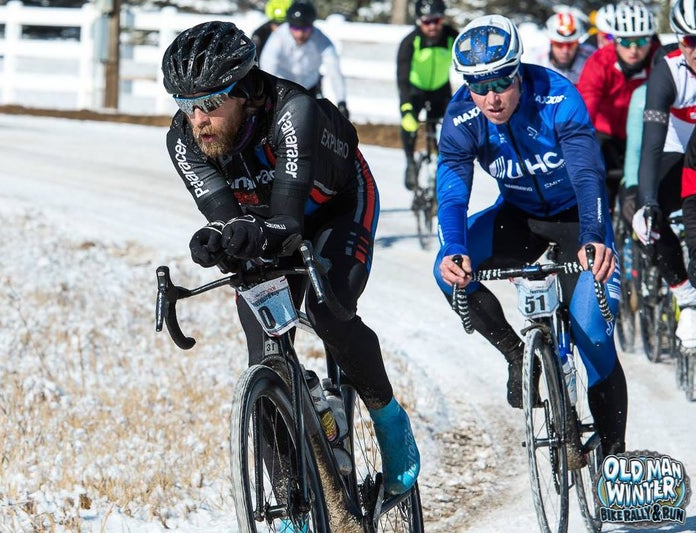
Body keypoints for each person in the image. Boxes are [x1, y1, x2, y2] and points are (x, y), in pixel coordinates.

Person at [161, 21, 419, 495]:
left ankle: (389, 418)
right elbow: (223, 214)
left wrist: (249, 232)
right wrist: (215, 238)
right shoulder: (183, 141)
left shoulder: (292, 109)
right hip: (269, 218)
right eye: (186, 106)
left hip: (335, 205)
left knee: (329, 311)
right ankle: (288, 501)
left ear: (244, 92)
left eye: (211, 105)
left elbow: (287, 223)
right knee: (263, 350)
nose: (197, 120)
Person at [433, 14, 628, 462]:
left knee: (592, 331)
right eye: (477, 85)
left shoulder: (558, 96)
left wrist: (595, 235)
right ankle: (517, 355)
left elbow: (586, 173)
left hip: (579, 220)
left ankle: (615, 456)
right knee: (445, 273)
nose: (490, 97)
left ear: (518, 70)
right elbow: (452, 186)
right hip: (518, 217)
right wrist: (455, 247)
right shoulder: (463, 114)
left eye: (500, 81)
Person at [633, 0, 696, 348]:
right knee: (650, 221)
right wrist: (647, 202)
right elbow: (651, 146)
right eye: (690, 40)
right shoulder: (667, 71)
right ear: (678, 39)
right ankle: (683, 292)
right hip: (673, 148)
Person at [578, 1, 659, 211]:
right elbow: (586, 105)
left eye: (641, 41)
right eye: (625, 41)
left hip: (645, 134)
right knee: (600, 193)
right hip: (606, 134)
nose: (634, 49)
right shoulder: (599, 62)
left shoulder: (660, 61)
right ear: (614, 40)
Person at [396, 0, 458, 190]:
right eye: (426, 22)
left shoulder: (452, 36)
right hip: (415, 91)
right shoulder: (410, 42)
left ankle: (442, 170)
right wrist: (406, 108)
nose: (432, 26)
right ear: (418, 21)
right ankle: (410, 163)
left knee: (445, 131)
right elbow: (403, 78)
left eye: (436, 21)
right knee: (409, 124)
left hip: (441, 90)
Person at [259, 1, 349, 118]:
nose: (300, 34)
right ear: (289, 25)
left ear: (312, 26)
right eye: (295, 28)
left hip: (308, 88)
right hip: (282, 88)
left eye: (305, 29)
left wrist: (341, 102)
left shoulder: (321, 40)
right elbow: (268, 67)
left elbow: (334, 71)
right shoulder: (278, 37)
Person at [535, 9, 595, 86]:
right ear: (551, 41)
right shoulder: (535, 60)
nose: (565, 51)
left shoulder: (591, 57)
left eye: (571, 44)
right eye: (558, 44)